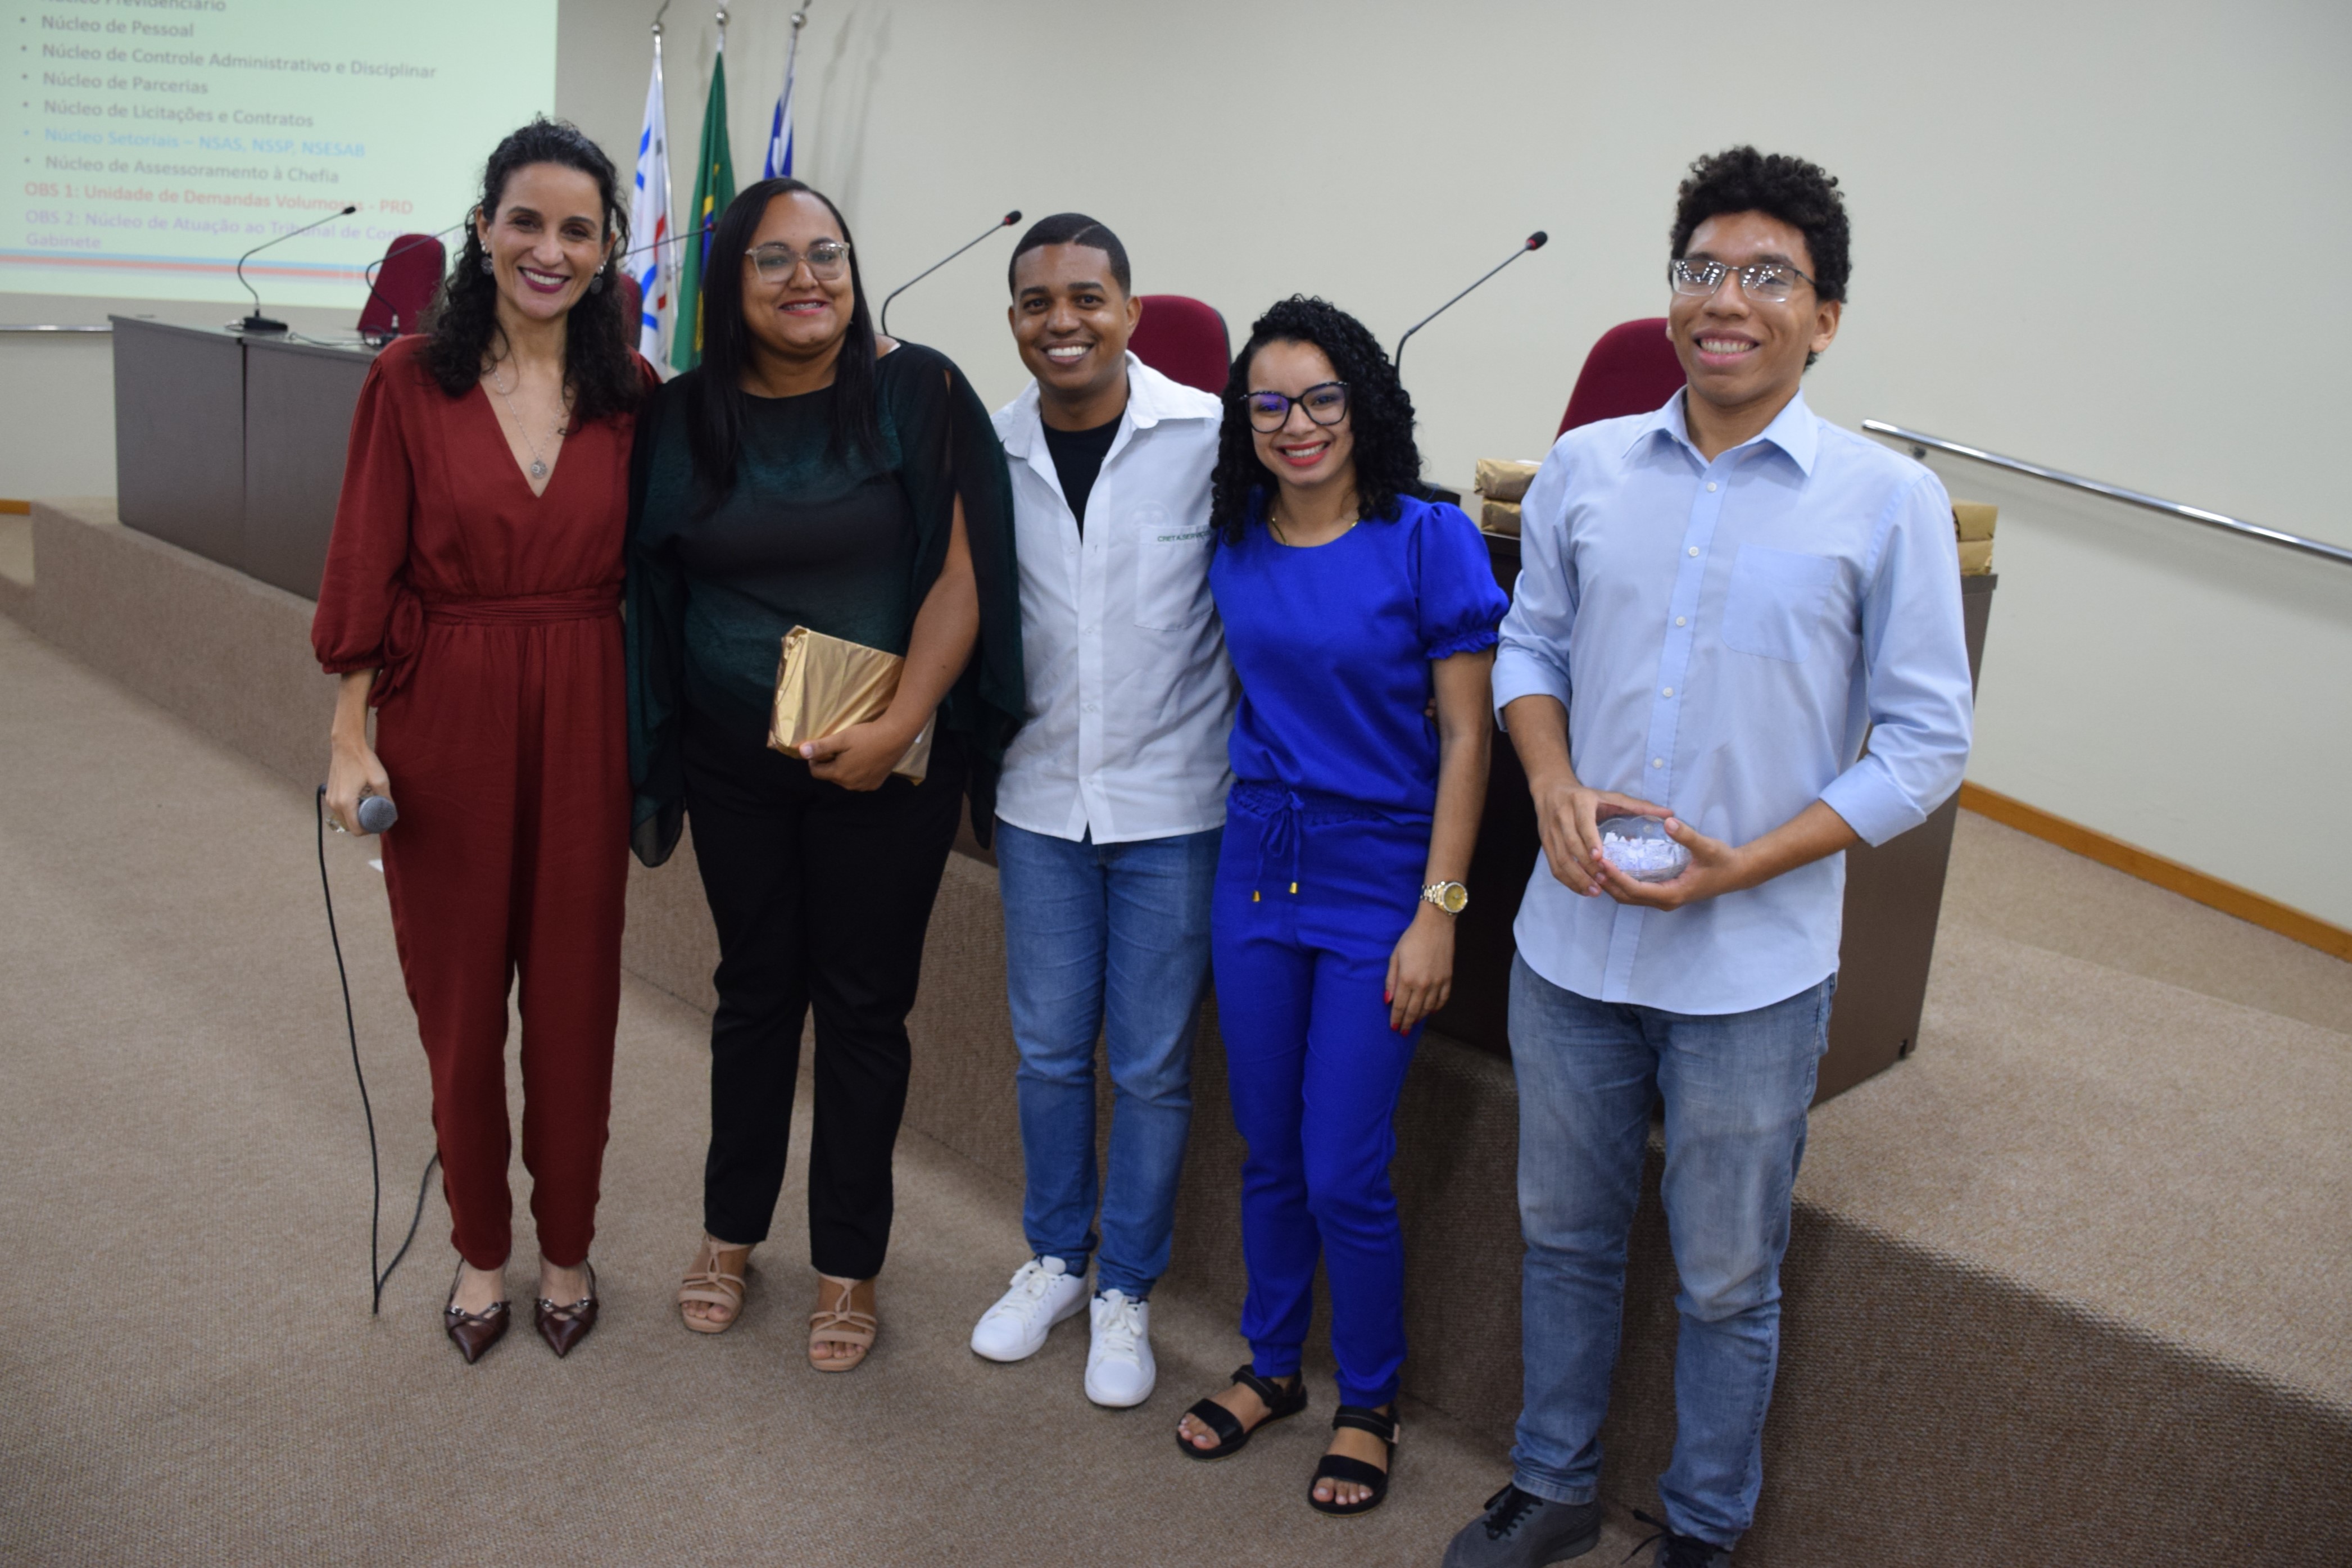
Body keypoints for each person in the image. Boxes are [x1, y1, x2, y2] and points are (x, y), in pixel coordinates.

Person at [1442, 148, 1974, 1568]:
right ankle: (1551, 1484)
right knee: (1563, 1238)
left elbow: (1925, 743)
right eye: (1699, 269)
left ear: (1824, 317)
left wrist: (1746, 865)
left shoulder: (1885, 502)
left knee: (1728, 1275)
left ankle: (1701, 1528)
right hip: (1570, 946)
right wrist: (1549, 781)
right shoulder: (1585, 467)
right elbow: (1528, 648)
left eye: (1765, 277)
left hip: (1750, 966)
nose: (1723, 300)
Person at [625, 176, 1022, 1373]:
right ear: (730, 280)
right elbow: (652, 581)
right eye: (775, 259)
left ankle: (849, 1258)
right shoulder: (681, 415)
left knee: (861, 1004)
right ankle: (729, 1232)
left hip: (886, 764)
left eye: (829, 254)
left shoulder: (918, 391)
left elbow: (962, 575)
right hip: (731, 762)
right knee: (752, 991)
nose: (808, 278)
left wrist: (899, 724)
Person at [312, 118, 651, 1363]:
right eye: (527, 222)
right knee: (458, 1003)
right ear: (483, 229)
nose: (549, 250)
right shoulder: (410, 380)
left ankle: (566, 1245)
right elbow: (364, 562)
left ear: (608, 249)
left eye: (578, 230)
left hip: (586, 705)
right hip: (445, 704)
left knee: (573, 997)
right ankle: (478, 1247)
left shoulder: (634, 393)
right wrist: (348, 738)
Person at [1172, 297, 1508, 1515]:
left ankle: (1369, 1400)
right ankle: (1272, 1366)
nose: (1296, 423)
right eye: (1268, 403)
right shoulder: (1234, 536)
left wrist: (1440, 910)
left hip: (1384, 882)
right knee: (1267, 1146)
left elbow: (1468, 739)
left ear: (1362, 404)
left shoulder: (1428, 536)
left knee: (1341, 1166)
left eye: (1321, 397)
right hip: (1259, 867)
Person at [966, 215, 1230, 1408]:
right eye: (1037, 303)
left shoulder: (1210, 437)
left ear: (1129, 309)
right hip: (1038, 804)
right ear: (1014, 321)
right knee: (1047, 1053)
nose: (1061, 321)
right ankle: (1056, 1261)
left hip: (1174, 804)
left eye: (1086, 297)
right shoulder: (991, 448)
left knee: (1155, 1066)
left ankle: (1126, 1287)